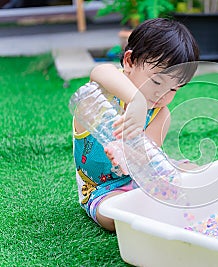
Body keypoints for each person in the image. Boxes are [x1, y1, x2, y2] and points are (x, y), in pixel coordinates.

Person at [72, 18, 199, 231]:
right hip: (104, 189)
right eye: (157, 82)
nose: (161, 94)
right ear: (129, 62)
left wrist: (127, 155)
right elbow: (99, 71)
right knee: (113, 217)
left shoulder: (161, 113)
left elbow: (147, 161)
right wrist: (136, 100)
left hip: (143, 178)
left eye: (174, 89)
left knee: (196, 173)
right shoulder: (100, 96)